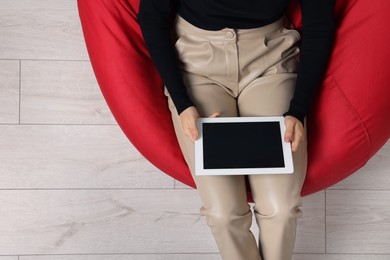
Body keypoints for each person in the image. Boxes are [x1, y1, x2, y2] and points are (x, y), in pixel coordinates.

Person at [137, 1, 336, 259]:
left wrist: (297, 110)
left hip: (270, 60)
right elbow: (152, 16)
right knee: (223, 214)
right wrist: (182, 102)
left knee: (282, 209)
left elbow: (320, 24)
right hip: (197, 64)